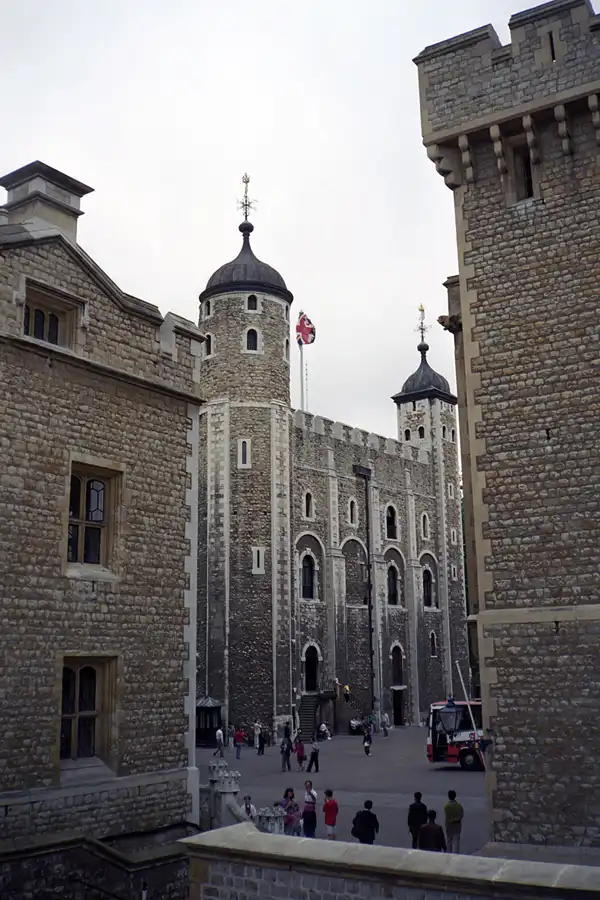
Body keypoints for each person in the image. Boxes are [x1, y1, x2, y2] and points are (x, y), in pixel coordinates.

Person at [444, 790, 464, 854]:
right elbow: (461, 816)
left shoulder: (446, 806)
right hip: (457, 826)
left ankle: (448, 853)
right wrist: (456, 819)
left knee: (449, 840)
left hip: (449, 826)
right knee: (456, 840)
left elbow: (447, 817)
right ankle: (456, 854)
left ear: (448, 796)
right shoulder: (459, 806)